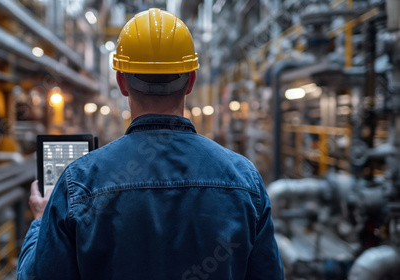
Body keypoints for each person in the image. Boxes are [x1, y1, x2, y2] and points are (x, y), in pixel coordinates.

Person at [17, 8, 283, 280]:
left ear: (121, 81)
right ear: (190, 80)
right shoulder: (245, 180)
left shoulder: (79, 182)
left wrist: (40, 221)